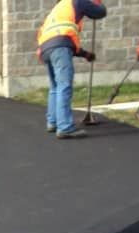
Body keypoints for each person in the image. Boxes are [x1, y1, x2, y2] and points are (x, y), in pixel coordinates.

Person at [36, 0, 107, 139]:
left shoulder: (57, 9)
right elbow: (100, 12)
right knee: (64, 86)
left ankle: (53, 122)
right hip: (59, 47)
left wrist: (85, 54)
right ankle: (65, 127)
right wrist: (97, 2)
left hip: (46, 49)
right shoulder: (77, 1)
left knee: (55, 87)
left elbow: (64, 39)